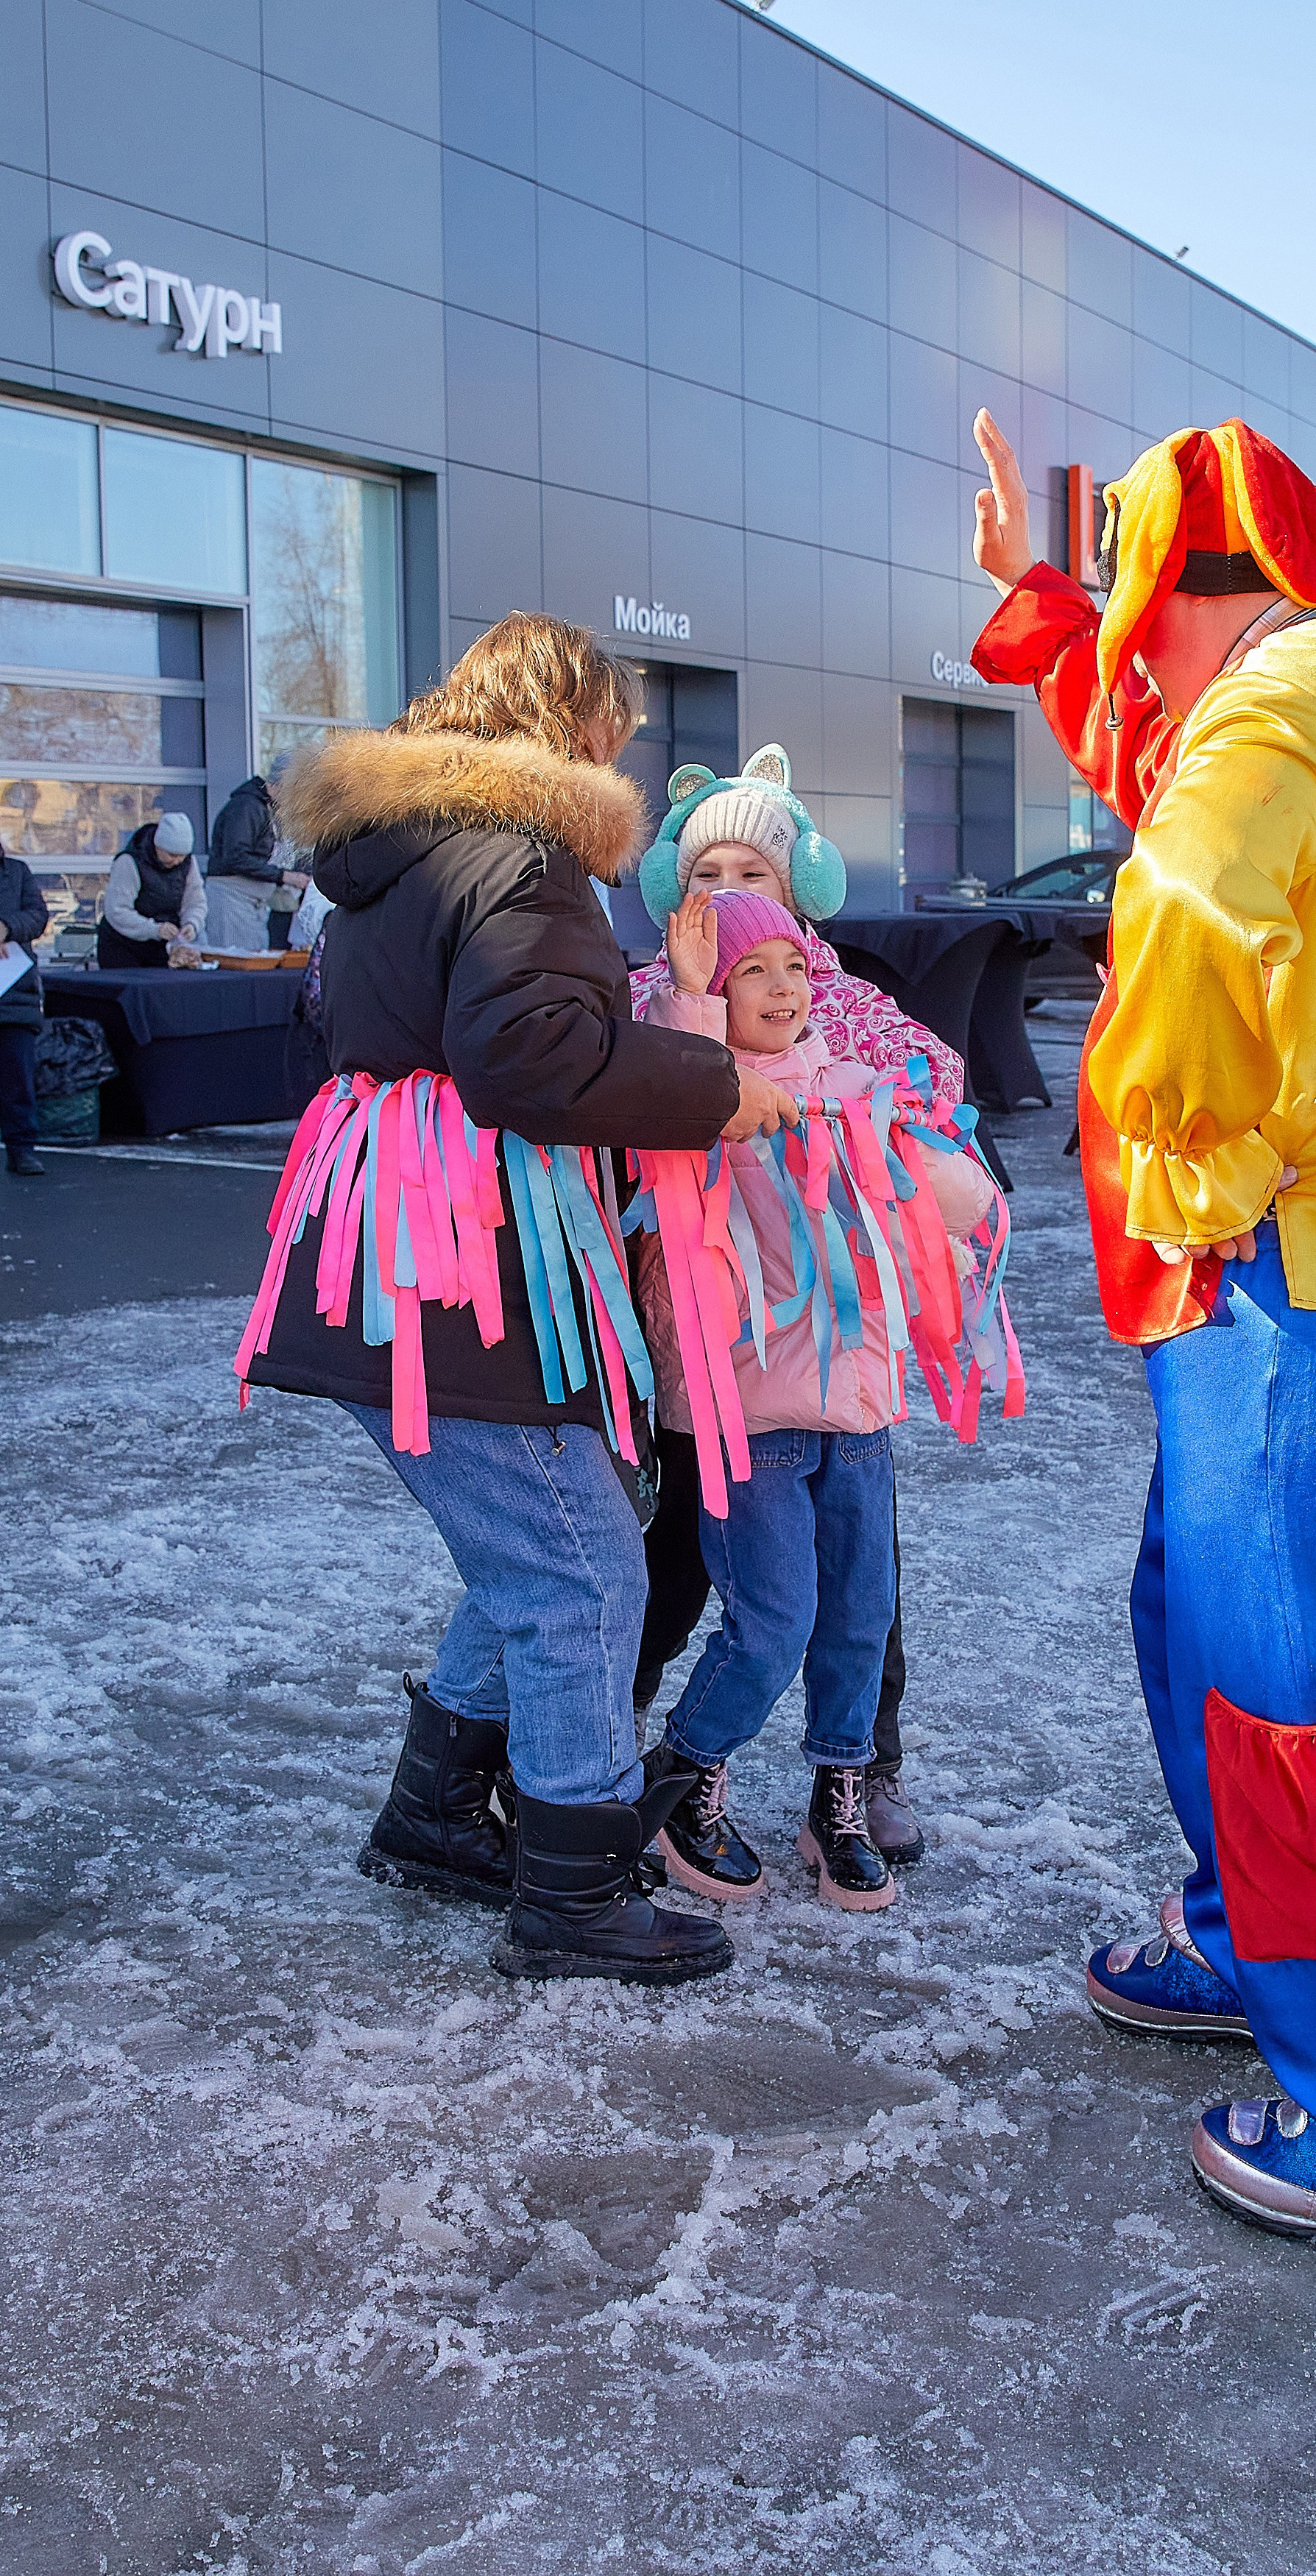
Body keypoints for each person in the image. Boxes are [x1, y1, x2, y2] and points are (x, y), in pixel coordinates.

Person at [969, 408, 1316, 2247]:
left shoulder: (1281, 701)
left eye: (1132, 596)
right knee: (1211, 1619)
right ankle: (1255, 1942)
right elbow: (1167, 779)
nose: (1125, 652)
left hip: (1296, 1265)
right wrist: (1044, 606)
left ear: (1189, 589)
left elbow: (1189, 898)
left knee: (1296, 1682)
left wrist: (1184, 1180)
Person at [236, 613, 802, 1986]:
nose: (627, 748)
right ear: (572, 723)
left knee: (539, 1541)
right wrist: (721, 1092)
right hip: (464, 1269)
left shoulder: (399, 855)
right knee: (577, 1573)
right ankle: (572, 1894)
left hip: (396, 1249)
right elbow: (525, 1055)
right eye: (617, 725)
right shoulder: (520, 850)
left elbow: (406, 1037)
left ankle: (434, 1817)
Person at [629, 746, 966, 1870]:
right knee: (692, 1572)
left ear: (799, 887)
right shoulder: (666, 1006)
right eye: (708, 866)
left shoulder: (848, 1010)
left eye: (756, 871)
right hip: (727, 1372)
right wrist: (692, 1003)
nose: (730, 887)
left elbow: (934, 1111)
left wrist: (907, 1138)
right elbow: (649, 1097)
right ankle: (638, 1753)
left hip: (847, 1371)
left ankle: (860, 1775)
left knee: (860, 1597)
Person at [206, 765, 308, 951]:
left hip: (252, 903)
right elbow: (236, 857)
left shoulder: (263, 807)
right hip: (233, 901)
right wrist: (283, 876)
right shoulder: (247, 806)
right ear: (280, 785)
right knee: (240, 963)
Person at [97, 811, 206, 968]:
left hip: (161, 946)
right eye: (172, 855)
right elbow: (117, 910)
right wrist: (153, 929)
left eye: (182, 856)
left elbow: (196, 902)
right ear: (158, 845)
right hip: (122, 945)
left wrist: (192, 924)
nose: (177, 861)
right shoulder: (129, 862)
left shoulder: (188, 863)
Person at [0, 838, 49, 1176]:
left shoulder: (17, 873)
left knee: (18, 1077)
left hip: (14, 993)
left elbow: (38, 916)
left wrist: (6, 928)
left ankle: (21, 1149)